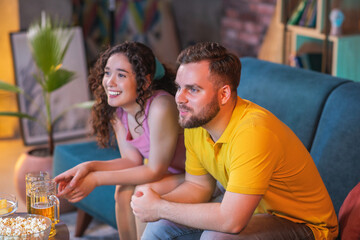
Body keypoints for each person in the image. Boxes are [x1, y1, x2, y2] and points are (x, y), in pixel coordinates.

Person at [130, 42, 339, 240]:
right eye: (179, 87)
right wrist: (155, 202)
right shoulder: (196, 122)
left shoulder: (253, 133)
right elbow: (197, 187)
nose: (179, 98)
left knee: (217, 236)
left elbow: (231, 221)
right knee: (160, 224)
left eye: (193, 89)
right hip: (251, 209)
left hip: (305, 226)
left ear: (224, 94)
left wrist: (160, 207)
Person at [54, 41, 186, 240]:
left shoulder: (161, 106)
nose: (110, 82)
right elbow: (131, 160)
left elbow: (154, 170)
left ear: (145, 82)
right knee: (122, 190)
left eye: (121, 75)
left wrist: (96, 179)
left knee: (142, 193)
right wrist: (88, 167)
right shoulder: (118, 113)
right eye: (107, 73)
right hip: (170, 173)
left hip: (195, 176)